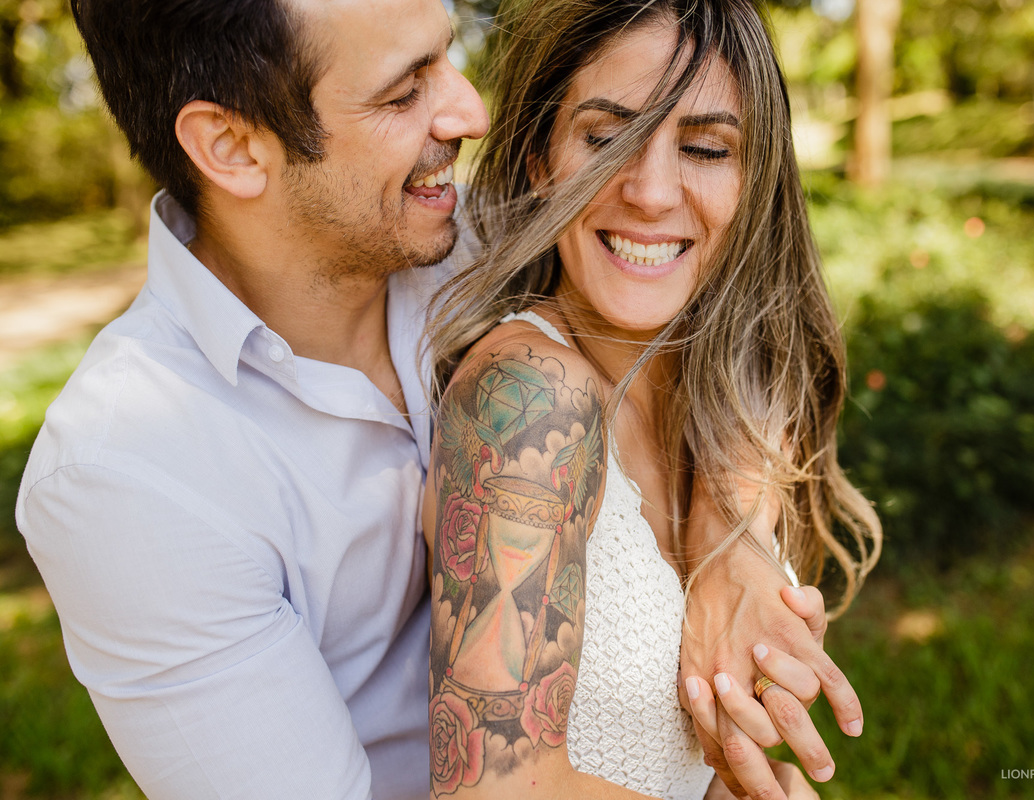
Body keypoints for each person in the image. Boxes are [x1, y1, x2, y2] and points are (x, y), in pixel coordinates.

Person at [15, 0, 865, 798]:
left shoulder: (478, 230)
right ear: (233, 146)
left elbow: (733, 303)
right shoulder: (129, 476)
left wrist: (730, 537)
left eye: (447, 56)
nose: (471, 114)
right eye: (403, 91)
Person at [422, 0, 882, 798]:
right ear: (539, 159)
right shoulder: (529, 399)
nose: (651, 190)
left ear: (754, 180)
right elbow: (494, 790)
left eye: (705, 148)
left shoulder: (736, 395)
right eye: (606, 139)